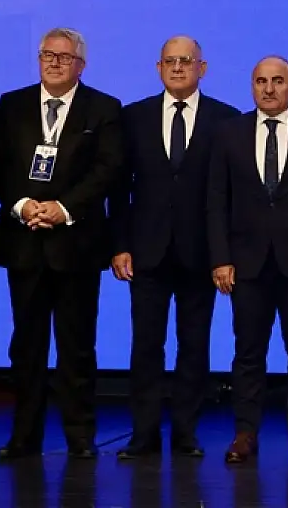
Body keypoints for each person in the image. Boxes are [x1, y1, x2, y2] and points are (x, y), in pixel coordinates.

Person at [0, 27, 124, 460]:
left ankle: (80, 436)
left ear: (80, 65)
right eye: (47, 55)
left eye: (64, 57)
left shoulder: (103, 108)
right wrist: (22, 205)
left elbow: (107, 170)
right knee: (25, 347)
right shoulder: (12, 105)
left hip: (77, 244)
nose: (54, 63)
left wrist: (63, 208)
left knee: (77, 346)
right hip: (24, 241)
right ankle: (24, 436)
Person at [110, 36, 239, 459]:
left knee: (194, 346)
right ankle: (143, 434)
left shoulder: (226, 119)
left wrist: (224, 253)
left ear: (203, 68)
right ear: (158, 67)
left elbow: (229, 194)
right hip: (146, 251)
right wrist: (120, 244)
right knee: (146, 346)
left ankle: (186, 433)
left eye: (186, 61)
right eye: (170, 61)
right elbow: (120, 188)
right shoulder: (135, 116)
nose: (178, 67)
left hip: (200, 253)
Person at [207, 55, 288, 464]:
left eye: (278, 81)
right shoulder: (229, 132)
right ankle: (245, 432)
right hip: (246, 264)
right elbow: (217, 201)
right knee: (248, 352)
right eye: (261, 81)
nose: (269, 89)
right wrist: (220, 259)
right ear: (252, 86)